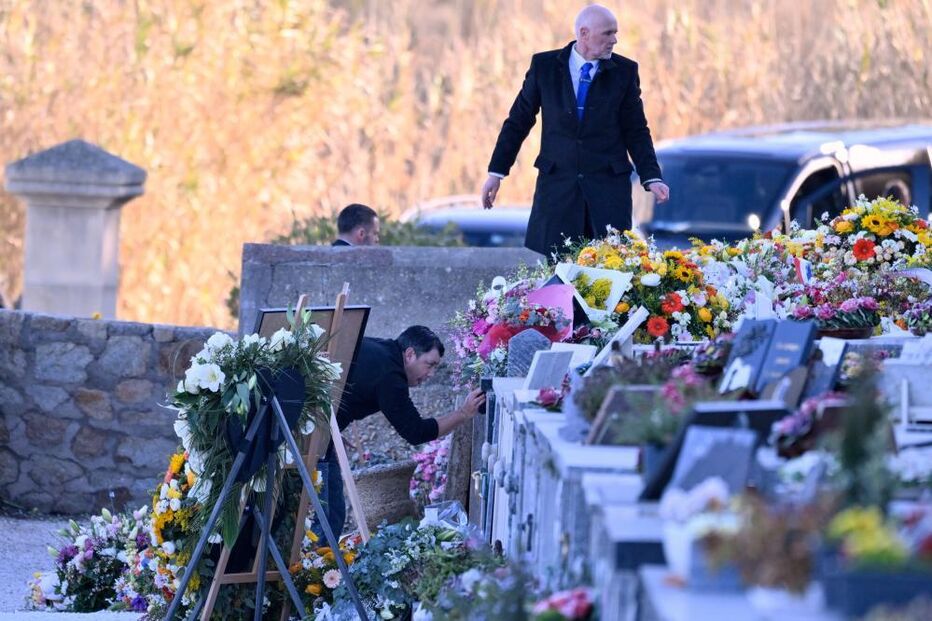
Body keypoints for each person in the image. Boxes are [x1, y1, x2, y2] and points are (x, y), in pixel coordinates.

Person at [480, 4, 670, 257]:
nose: (614, 39)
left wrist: (651, 176)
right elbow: (518, 121)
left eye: (615, 33)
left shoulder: (625, 72)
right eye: (607, 33)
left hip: (607, 192)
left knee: (608, 275)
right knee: (556, 277)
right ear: (584, 33)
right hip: (558, 190)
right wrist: (497, 173)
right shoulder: (544, 67)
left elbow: (636, 129)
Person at [313, 325, 485, 536]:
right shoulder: (390, 375)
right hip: (311, 434)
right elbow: (416, 432)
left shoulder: (382, 350)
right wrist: (463, 413)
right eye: (429, 365)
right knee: (329, 516)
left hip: (317, 427)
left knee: (326, 514)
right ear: (410, 354)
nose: (430, 374)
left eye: (435, 368)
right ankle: (315, 567)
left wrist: (334, 427)